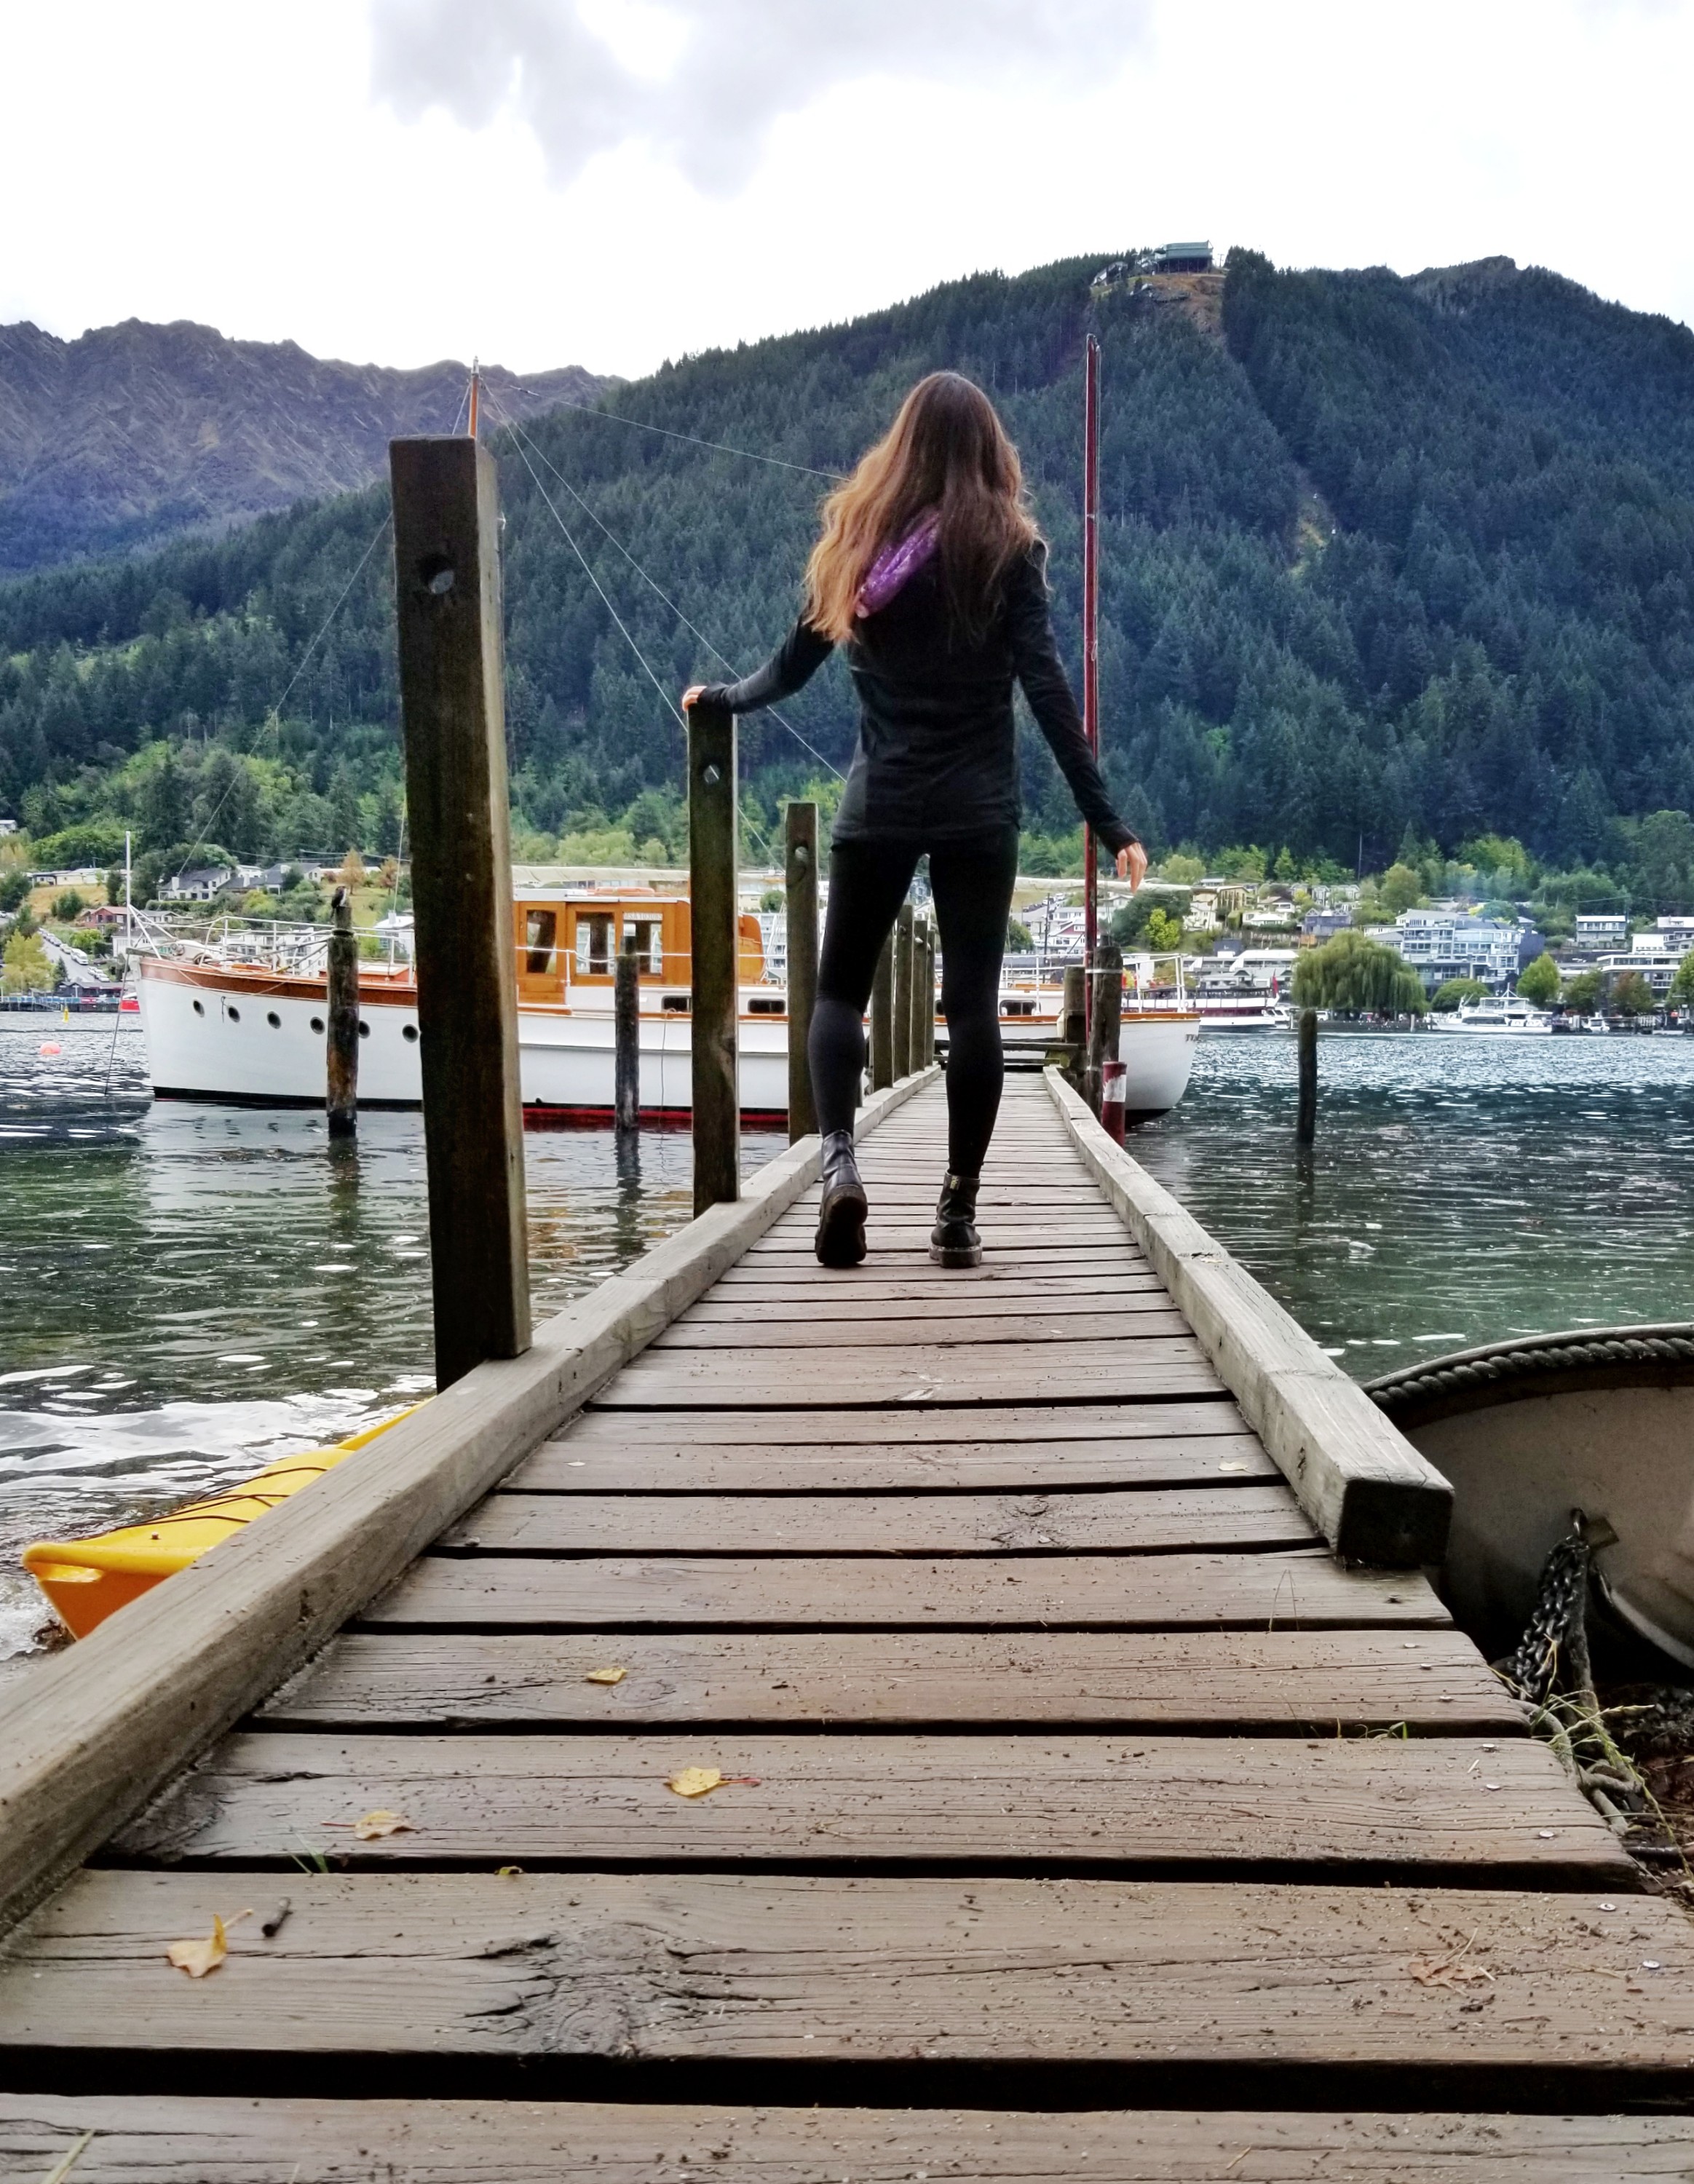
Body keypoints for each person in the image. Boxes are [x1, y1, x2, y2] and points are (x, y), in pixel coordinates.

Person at [684, 369, 1145, 1270]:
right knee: (972, 1010)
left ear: (900, 450)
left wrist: (722, 701)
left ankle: (840, 1165)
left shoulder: (863, 548)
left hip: (882, 798)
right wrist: (1107, 820)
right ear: (989, 453)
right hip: (979, 809)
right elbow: (1047, 693)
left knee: (835, 995)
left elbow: (790, 665)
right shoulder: (1008, 552)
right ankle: (958, 1211)